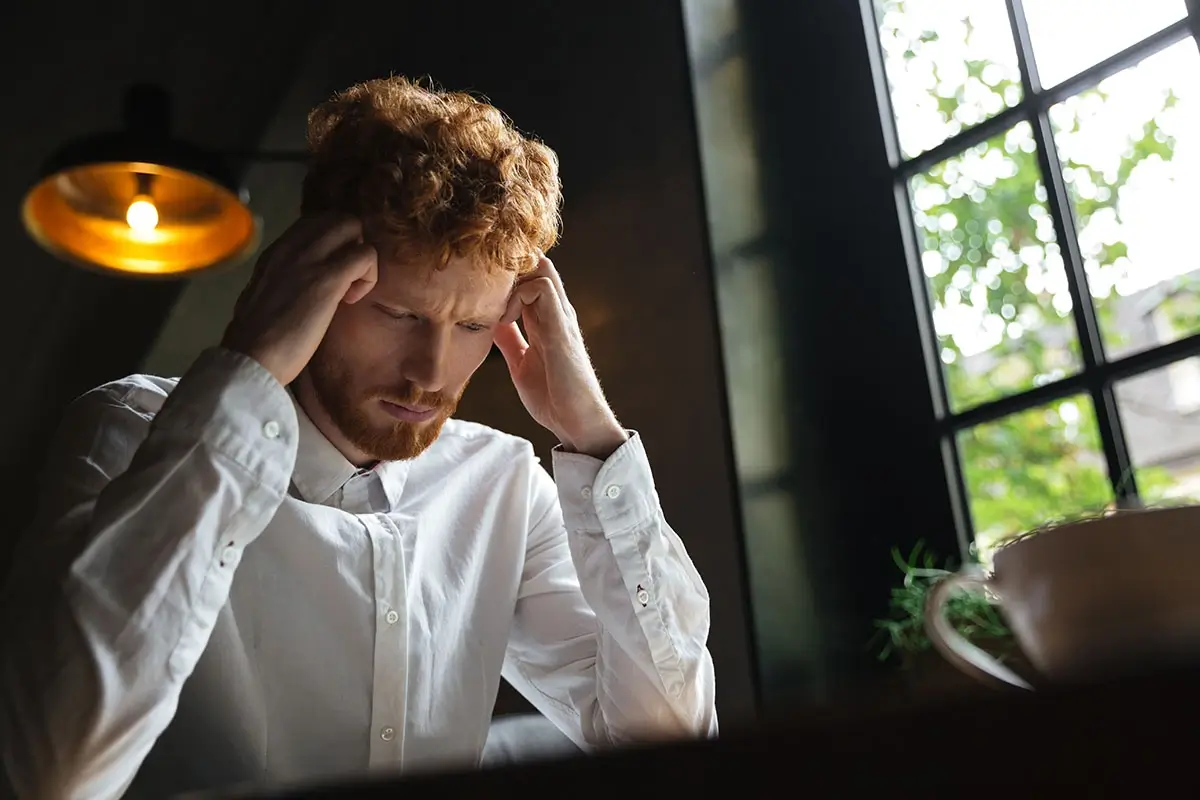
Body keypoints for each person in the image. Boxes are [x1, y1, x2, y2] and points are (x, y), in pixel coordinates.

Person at [0, 76, 718, 799]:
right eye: (399, 314)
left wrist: (593, 435)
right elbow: (55, 769)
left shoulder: (503, 486)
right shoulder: (131, 434)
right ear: (310, 272)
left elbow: (669, 745)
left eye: (473, 325)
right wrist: (250, 367)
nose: (429, 373)